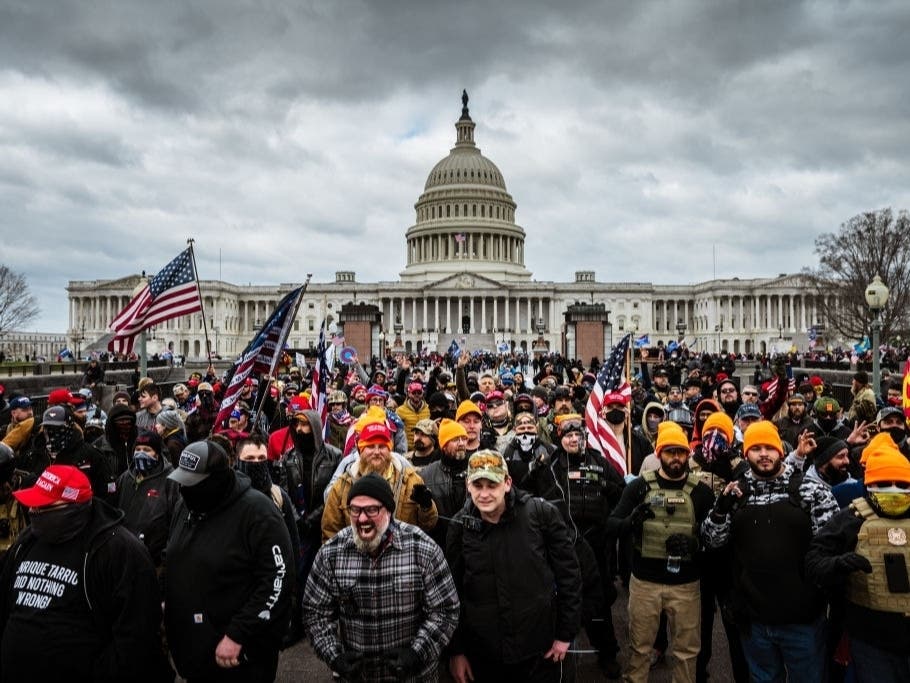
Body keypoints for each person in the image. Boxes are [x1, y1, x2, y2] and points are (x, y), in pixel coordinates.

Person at [0, 465, 171, 682]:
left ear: (72, 506)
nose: (33, 511)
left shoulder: (118, 550)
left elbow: (137, 632)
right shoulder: (28, 540)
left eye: (43, 506)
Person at [702, 420, 839, 683]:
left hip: (803, 622)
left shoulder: (813, 492)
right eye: (756, 448)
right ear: (746, 454)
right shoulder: (736, 493)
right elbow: (712, 541)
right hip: (755, 622)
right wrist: (721, 509)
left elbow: (830, 549)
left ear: (780, 450)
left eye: (769, 447)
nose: (763, 454)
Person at [303, 473, 460, 682]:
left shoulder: (423, 549)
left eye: (371, 510)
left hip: (414, 677)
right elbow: (315, 613)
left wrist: (417, 652)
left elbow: (445, 610)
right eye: (355, 510)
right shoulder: (331, 554)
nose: (362, 518)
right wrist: (335, 656)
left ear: (388, 510)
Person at [164, 440, 295, 682]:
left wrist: (238, 633)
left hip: (239, 656)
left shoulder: (258, 512)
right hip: (195, 652)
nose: (185, 489)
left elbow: (277, 579)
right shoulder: (186, 506)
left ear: (215, 479)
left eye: (193, 483)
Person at [447, 449, 582, 683]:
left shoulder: (541, 515)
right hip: (486, 655)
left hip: (539, 651)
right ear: (468, 486)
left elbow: (569, 577)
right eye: (478, 486)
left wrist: (565, 634)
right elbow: (452, 594)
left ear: (507, 483)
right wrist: (456, 651)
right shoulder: (460, 527)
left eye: (492, 485)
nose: (485, 494)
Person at [608, 421, 714, 683]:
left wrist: (694, 544)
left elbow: (716, 538)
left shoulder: (701, 492)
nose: (676, 458)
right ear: (659, 453)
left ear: (688, 454)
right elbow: (610, 526)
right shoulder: (639, 487)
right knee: (639, 649)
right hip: (645, 583)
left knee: (686, 653)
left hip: (686, 585)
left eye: (680, 452)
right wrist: (630, 522)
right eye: (669, 452)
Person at [525, 412, 625, 677]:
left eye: (577, 435)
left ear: (584, 437)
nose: (573, 439)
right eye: (568, 435)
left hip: (595, 543)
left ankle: (607, 652)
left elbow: (622, 495)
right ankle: (559, 650)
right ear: (560, 438)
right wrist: (533, 472)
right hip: (561, 544)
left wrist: (611, 523)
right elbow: (526, 496)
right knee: (561, 598)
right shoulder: (550, 464)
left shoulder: (600, 462)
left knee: (599, 602)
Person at [805, 434, 910, 682]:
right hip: (871, 641)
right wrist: (838, 565)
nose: (893, 490)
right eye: (884, 484)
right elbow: (813, 562)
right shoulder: (851, 518)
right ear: (869, 484)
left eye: (902, 485)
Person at [322, 422, 438, 542]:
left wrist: (427, 507)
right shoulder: (342, 486)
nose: (376, 452)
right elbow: (330, 532)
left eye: (382, 446)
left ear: (390, 450)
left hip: (402, 555)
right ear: (360, 450)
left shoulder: (411, 481)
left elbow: (429, 525)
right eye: (371, 446)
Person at [115, 430, 180, 569]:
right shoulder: (125, 478)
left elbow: (176, 520)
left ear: (157, 453)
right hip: (122, 553)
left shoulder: (171, 480)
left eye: (147, 450)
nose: (141, 453)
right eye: (137, 449)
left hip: (153, 560)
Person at [420, 419, 470, 546]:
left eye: (463, 439)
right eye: (455, 440)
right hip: (439, 544)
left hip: (471, 544)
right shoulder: (426, 475)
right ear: (443, 445)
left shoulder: (477, 469)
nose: (461, 443)